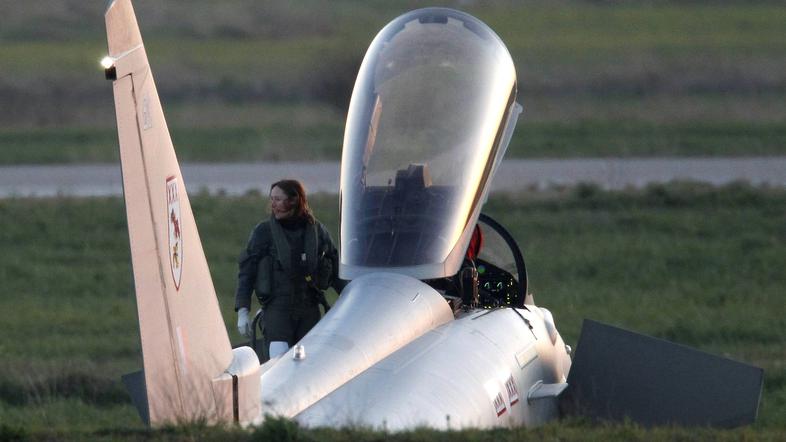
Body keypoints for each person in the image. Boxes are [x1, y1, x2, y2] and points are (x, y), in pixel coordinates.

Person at [234, 179, 340, 360]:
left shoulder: (316, 232)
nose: (273, 205)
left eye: (278, 199)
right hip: (277, 311)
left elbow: (336, 268)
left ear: (294, 201)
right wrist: (243, 310)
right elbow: (247, 272)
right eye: (272, 199)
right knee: (278, 362)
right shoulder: (264, 232)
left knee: (309, 365)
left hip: (309, 311)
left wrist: (354, 298)